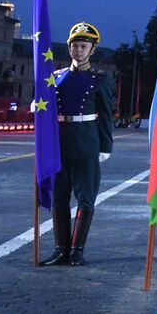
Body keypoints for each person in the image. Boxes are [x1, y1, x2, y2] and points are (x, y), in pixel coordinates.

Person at [39, 22, 114, 267]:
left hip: (86, 143)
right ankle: (60, 249)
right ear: (69, 47)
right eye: (74, 45)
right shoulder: (56, 77)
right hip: (59, 145)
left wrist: (105, 146)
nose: (78, 50)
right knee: (60, 198)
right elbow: (47, 108)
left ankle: (76, 250)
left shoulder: (100, 79)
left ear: (92, 50)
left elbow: (106, 116)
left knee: (85, 199)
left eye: (83, 46)